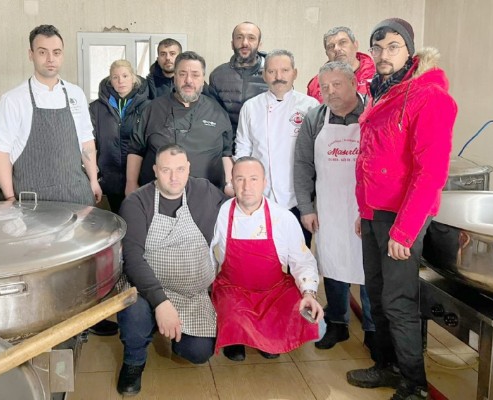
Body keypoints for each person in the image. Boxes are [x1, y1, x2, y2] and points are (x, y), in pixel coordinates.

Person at [346, 18, 457, 400]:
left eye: (393, 46)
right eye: (377, 48)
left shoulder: (429, 96)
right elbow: (370, 159)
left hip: (403, 217)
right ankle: (387, 366)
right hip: (376, 213)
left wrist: (404, 231)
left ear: (410, 50)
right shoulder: (383, 92)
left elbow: (431, 173)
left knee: (399, 300)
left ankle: (414, 383)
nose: (382, 55)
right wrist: (365, 212)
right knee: (376, 295)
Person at [116, 144, 227, 395]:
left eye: (180, 169)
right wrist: (160, 303)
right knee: (133, 312)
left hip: (191, 295)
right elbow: (132, 260)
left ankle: (174, 335)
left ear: (189, 169)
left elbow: (237, 213)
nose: (174, 177)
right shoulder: (137, 202)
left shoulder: (205, 192)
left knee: (198, 353)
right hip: (147, 290)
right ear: (155, 170)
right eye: (166, 170)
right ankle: (134, 360)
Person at [294, 61, 375, 351]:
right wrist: (306, 207)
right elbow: (302, 166)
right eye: (325, 86)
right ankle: (338, 323)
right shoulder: (315, 119)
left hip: (366, 206)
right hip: (328, 207)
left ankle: (373, 328)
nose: (330, 92)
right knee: (332, 263)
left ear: (354, 84)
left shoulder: (372, 114)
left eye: (337, 84)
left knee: (370, 268)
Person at [211, 156, 323, 361]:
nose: (246, 186)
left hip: (273, 292)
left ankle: (267, 337)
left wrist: (309, 293)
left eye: (254, 179)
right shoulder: (221, 214)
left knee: (302, 312)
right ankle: (236, 338)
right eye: (240, 179)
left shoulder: (283, 217)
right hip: (233, 290)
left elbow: (302, 260)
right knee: (232, 315)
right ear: (232, 182)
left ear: (264, 182)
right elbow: (207, 255)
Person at [0, 24, 101, 206]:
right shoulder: (13, 99)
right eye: (43, 52)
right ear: (31, 54)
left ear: (62, 55)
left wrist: (93, 180)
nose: (50, 59)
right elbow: (1, 151)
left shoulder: (76, 94)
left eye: (56, 52)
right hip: (33, 201)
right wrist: (10, 198)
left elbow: (86, 140)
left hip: (77, 195)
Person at [234, 49, 318, 247]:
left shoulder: (309, 106)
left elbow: (316, 156)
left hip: (298, 200)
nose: (278, 77)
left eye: (285, 71)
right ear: (264, 75)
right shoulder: (251, 107)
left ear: (294, 73)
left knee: (298, 257)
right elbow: (243, 149)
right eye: (271, 72)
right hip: (260, 198)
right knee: (262, 258)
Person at [126, 51, 234, 197]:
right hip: (156, 196)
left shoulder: (217, 111)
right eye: (182, 74)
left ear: (203, 79)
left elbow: (226, 153)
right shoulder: (152, 109)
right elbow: (135, 150)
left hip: (206, 197)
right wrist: (131, 182)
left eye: (195, 75)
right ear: (175, 77)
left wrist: (229, 184)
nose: (188, 80)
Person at [89, 60, 150, 213]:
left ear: (133, 78)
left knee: (135, 221)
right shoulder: (97, 108)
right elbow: (90, 141)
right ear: (110, 81)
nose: (120, 81)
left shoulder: (148, 106)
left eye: (125, 76)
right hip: (110, 178)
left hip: (140, 178)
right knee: (115, 221)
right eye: (115, 77)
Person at [209, 21, 267, 135]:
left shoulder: (272, 74)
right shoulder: (218, 75)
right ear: (232, 43)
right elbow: (213, 119)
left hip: (263, 145)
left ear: (259, 44)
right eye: (239, 37)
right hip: (228, 145)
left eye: (251, 38)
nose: (245, 43)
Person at [306, 26, 375, 103]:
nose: (336, 49)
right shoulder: (316, 85)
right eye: (331, 46)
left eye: (342, 42)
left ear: (355, 45)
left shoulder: (377, 76)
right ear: (327, 54)